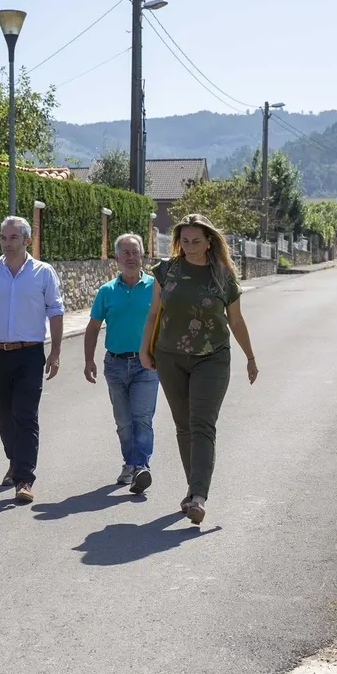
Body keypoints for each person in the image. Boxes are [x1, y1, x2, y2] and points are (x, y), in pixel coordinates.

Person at [139, 214, 258, 525]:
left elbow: (236, 321)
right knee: (183, 426)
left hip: (212, 357)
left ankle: (199, 497)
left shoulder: (223, 276)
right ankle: (193, 490)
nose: (190, 247)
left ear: (209, 242)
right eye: (185, 240)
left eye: (196, 241)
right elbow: (154, 314)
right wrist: (144, 349)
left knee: (202, 424)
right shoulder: (166, 271)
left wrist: (250, 357)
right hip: (170, 357)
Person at [0, 216, 64, 503]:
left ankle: (24, 479)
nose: (7, 243)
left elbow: (55, 312)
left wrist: (55, 352)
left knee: (25, 415)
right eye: (3, 238)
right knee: (3, 414)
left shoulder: (43, 273)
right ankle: (15, 459)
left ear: (27, 240)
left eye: (13, 238)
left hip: (29, 354)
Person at [84, 233, 158, 494]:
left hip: (146, 364)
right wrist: (88, 360)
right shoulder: (106, 292)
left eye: (134, 252)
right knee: (124, 422)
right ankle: (130, 464)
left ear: (142, 256)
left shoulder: (155, 287)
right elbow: (93, 327)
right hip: (115, 364)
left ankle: (140, 467)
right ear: (116, 258)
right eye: (125, 253)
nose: (130, 257)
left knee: (142, 418)